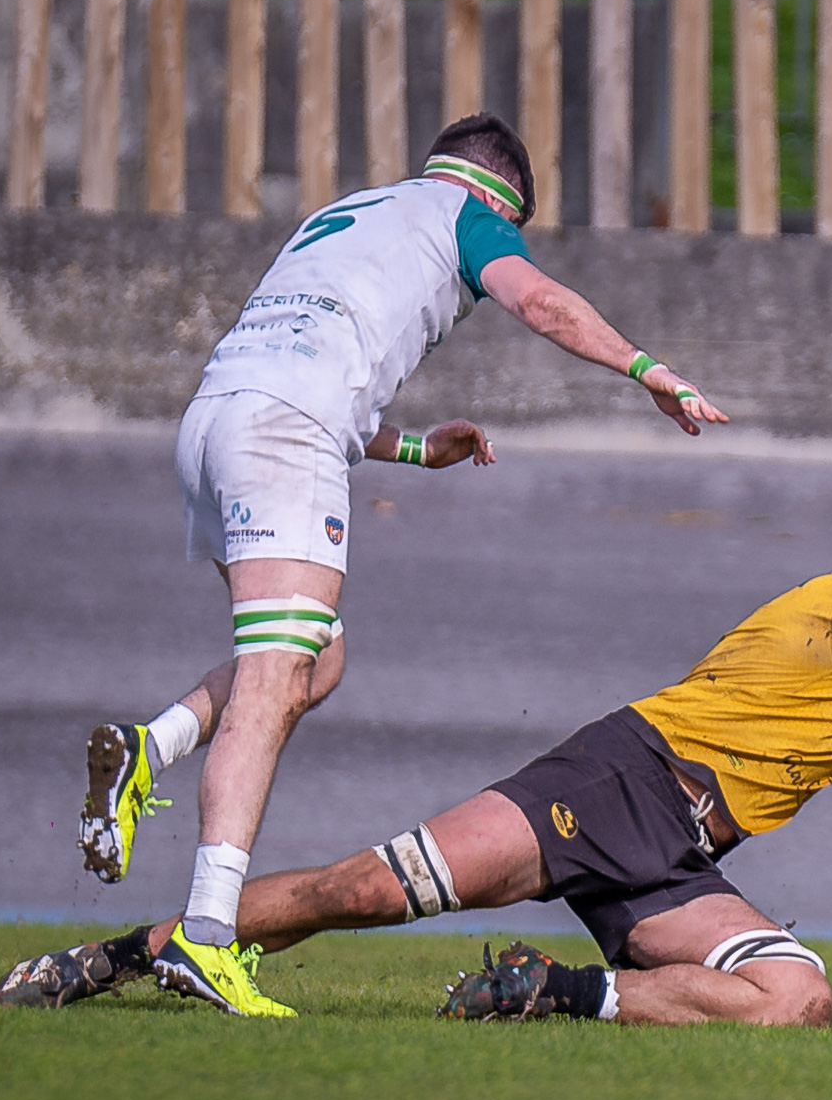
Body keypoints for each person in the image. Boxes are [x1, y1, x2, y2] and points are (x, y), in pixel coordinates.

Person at [0, 508, 832, 1023]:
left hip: (678, 851)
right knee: (360, 891)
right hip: (620, 778)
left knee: (800, 993)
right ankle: (106, 959)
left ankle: (553, 993)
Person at [73, 113, 729, 1018]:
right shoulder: (468, 214)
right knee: (275, 676)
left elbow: (312, 372)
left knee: (316, 653)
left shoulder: (346, 215)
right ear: (497, 194)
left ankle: (152, 748)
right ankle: (208, 935)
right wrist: (646, 367)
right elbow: (542, 301)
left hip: (215, 421)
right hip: (282, 433)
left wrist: (419, 449)